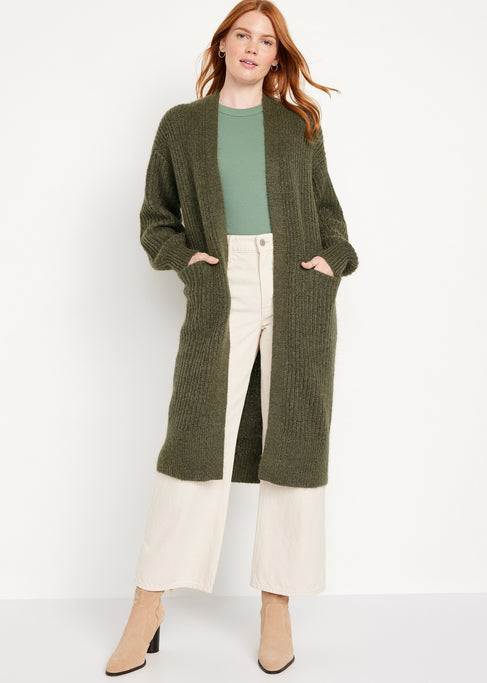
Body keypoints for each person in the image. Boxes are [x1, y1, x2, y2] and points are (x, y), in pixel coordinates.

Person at [105, 0, 358, 676]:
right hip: (223, 286)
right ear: (222, 45)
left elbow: (329, 213)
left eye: (266, 41)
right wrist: (186, 261)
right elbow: (156, 217)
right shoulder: (182, 126)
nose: (252, 47)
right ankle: (147, 604)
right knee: (193, 441)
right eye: (242, 35)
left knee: (295, 444)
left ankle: (277, 605)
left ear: (277, 57)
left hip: (297, 288)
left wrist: (331, 262)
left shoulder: (298, 124)